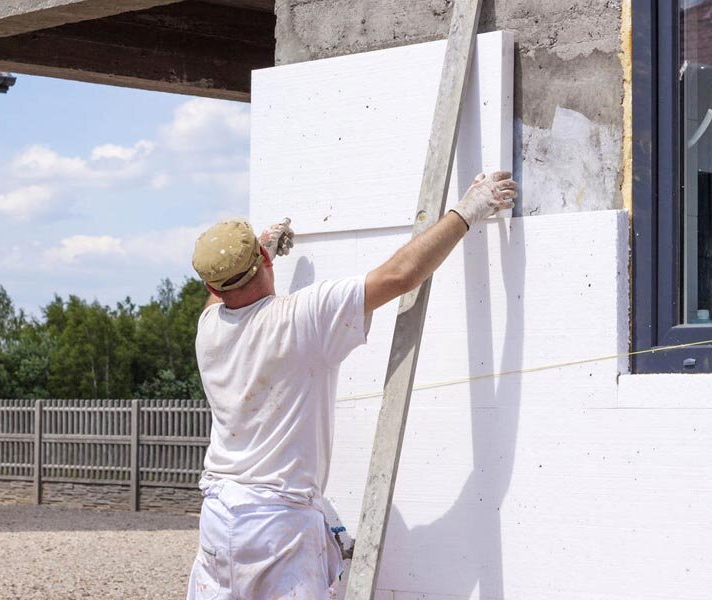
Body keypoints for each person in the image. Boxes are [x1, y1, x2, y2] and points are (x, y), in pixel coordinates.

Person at [187, 171, 517, 600]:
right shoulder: (302, 318)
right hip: (278, 524)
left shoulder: (208, 327)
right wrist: (468, 210)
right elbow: (399, 276)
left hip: (218, 516)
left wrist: (263, 246)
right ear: (264, 265)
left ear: (212, 284)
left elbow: (221, 292)